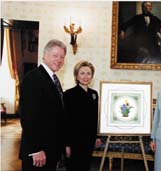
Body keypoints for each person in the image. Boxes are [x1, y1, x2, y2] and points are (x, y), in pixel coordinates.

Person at [19, 39, 68, 171]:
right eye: (55, 55)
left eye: (62, 57)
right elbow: (28, 117)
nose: (59, 60)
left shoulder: (51, 78)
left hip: (50, 149)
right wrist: (36, 149)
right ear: (44, 55)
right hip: (38, 153)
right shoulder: (33, 79)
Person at [63, 61, 101, 171]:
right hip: (74, 141)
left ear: (92, 76)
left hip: (89, 140)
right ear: (76, 75)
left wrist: (97, 136)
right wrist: (67, 144)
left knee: (85, 166)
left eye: (89, 73)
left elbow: (95, 118)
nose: (86, 76)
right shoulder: (68, 94)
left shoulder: (94, 94)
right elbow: (66, 121)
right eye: (82, 73)